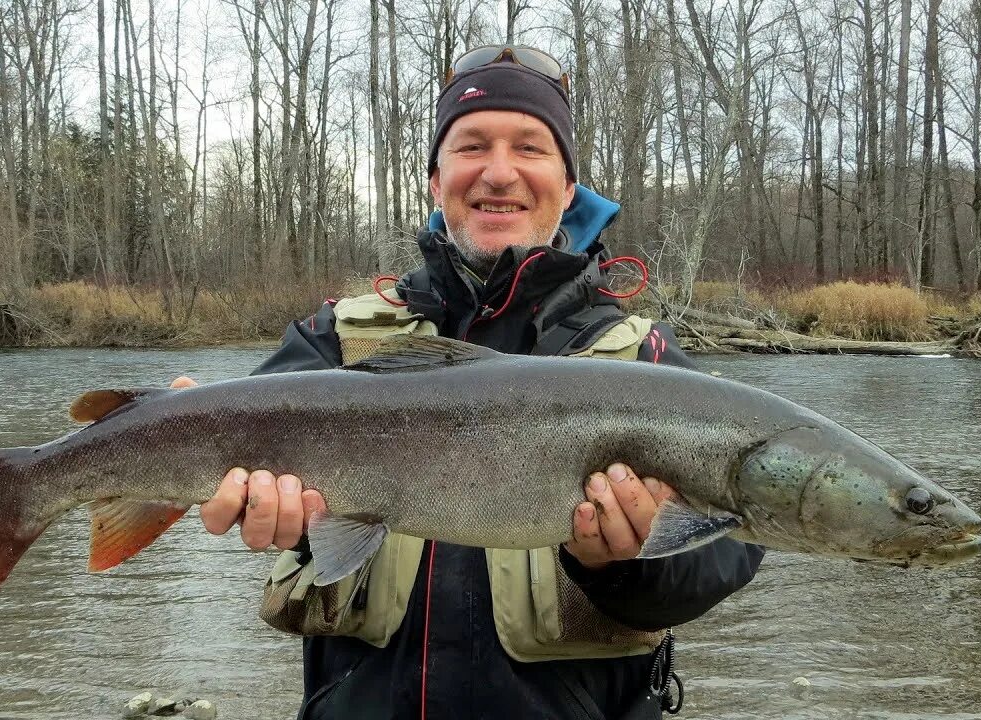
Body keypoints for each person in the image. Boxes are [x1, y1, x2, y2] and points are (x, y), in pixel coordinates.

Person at [175, 45, 765, 720]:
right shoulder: (332, 341)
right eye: (472, 145)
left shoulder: (644, 359)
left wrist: (625, 564)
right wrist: (272, 513)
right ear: (436, 181)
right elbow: (243, 476)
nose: (500, 171)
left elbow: (731, 554)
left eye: (531, 148)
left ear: (569, 188)